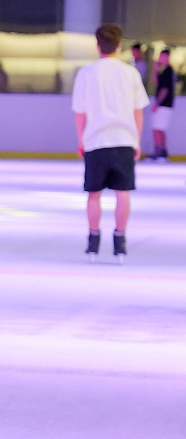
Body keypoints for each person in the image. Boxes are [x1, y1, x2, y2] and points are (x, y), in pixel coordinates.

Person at [73, 23, 149, 264]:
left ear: (98, 46)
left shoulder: (86, 73)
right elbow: (138, 111)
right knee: (122, 193)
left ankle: (93, 243)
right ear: (119, 44)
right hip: (124, 140)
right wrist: (136, 140)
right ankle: (120, 243)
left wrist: (81, 140)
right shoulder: (131, 73)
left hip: (95, 141)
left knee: (94, 194)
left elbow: (80, 112)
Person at [149, 48, 176, 162]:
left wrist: (158, 103)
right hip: (165, 104)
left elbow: (165, 89)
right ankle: (162, 153)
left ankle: (159, 153)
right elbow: (155, 81)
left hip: (164, 104)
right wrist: (155, 68)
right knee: (160, 128)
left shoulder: (168, 71)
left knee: (157, 129)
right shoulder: (164, 71)